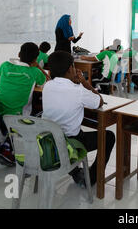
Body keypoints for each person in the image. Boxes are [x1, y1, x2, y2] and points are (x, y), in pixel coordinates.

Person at [42, 51, 115, 188]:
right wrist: (83, 82)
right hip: (71, 144)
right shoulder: (78, 90)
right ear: (71, 69)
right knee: (109, 136)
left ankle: (75, 172)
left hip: (49, 141)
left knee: (74, 127)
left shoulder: (47, 86)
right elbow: (99, 101)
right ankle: (91, 178)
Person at [0, 42, 49, 167]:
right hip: (18, 117)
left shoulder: (4, 65)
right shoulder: (35, 72)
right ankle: (11, 145)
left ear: (19, 54)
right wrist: (38, 67)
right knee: (42, 112)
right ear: (36, 59)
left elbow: (1, 77)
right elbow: (46, 80)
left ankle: (7, 144)